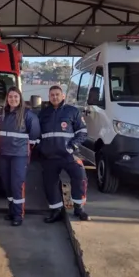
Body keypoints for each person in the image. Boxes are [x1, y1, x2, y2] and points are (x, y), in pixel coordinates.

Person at [37, 85, 90, 222]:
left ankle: (79, 209)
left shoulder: (72, 111)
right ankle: (56, 211)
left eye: (57, 94)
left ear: (63, 96)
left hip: (69, 155)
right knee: (50, 183)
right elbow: (36, 133)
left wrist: (72, 146)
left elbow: (82, 132)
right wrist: (41, 148)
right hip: (49, 156)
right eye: (52, 95)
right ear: (49, 97)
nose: (55, 97)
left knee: (80, 177)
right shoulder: (43, 113)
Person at [0, 87, 40, 226]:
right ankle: (11, 211)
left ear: (20, 98)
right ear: (7, 99)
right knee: (7, 185)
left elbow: (34, 136)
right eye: (10, 97)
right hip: (3, 154)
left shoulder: (28, 114)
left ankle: (18, 215)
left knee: (17, 185)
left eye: (16, 97)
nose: (13, 99)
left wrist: (24, 149)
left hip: (19, 156)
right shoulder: (1, 114)